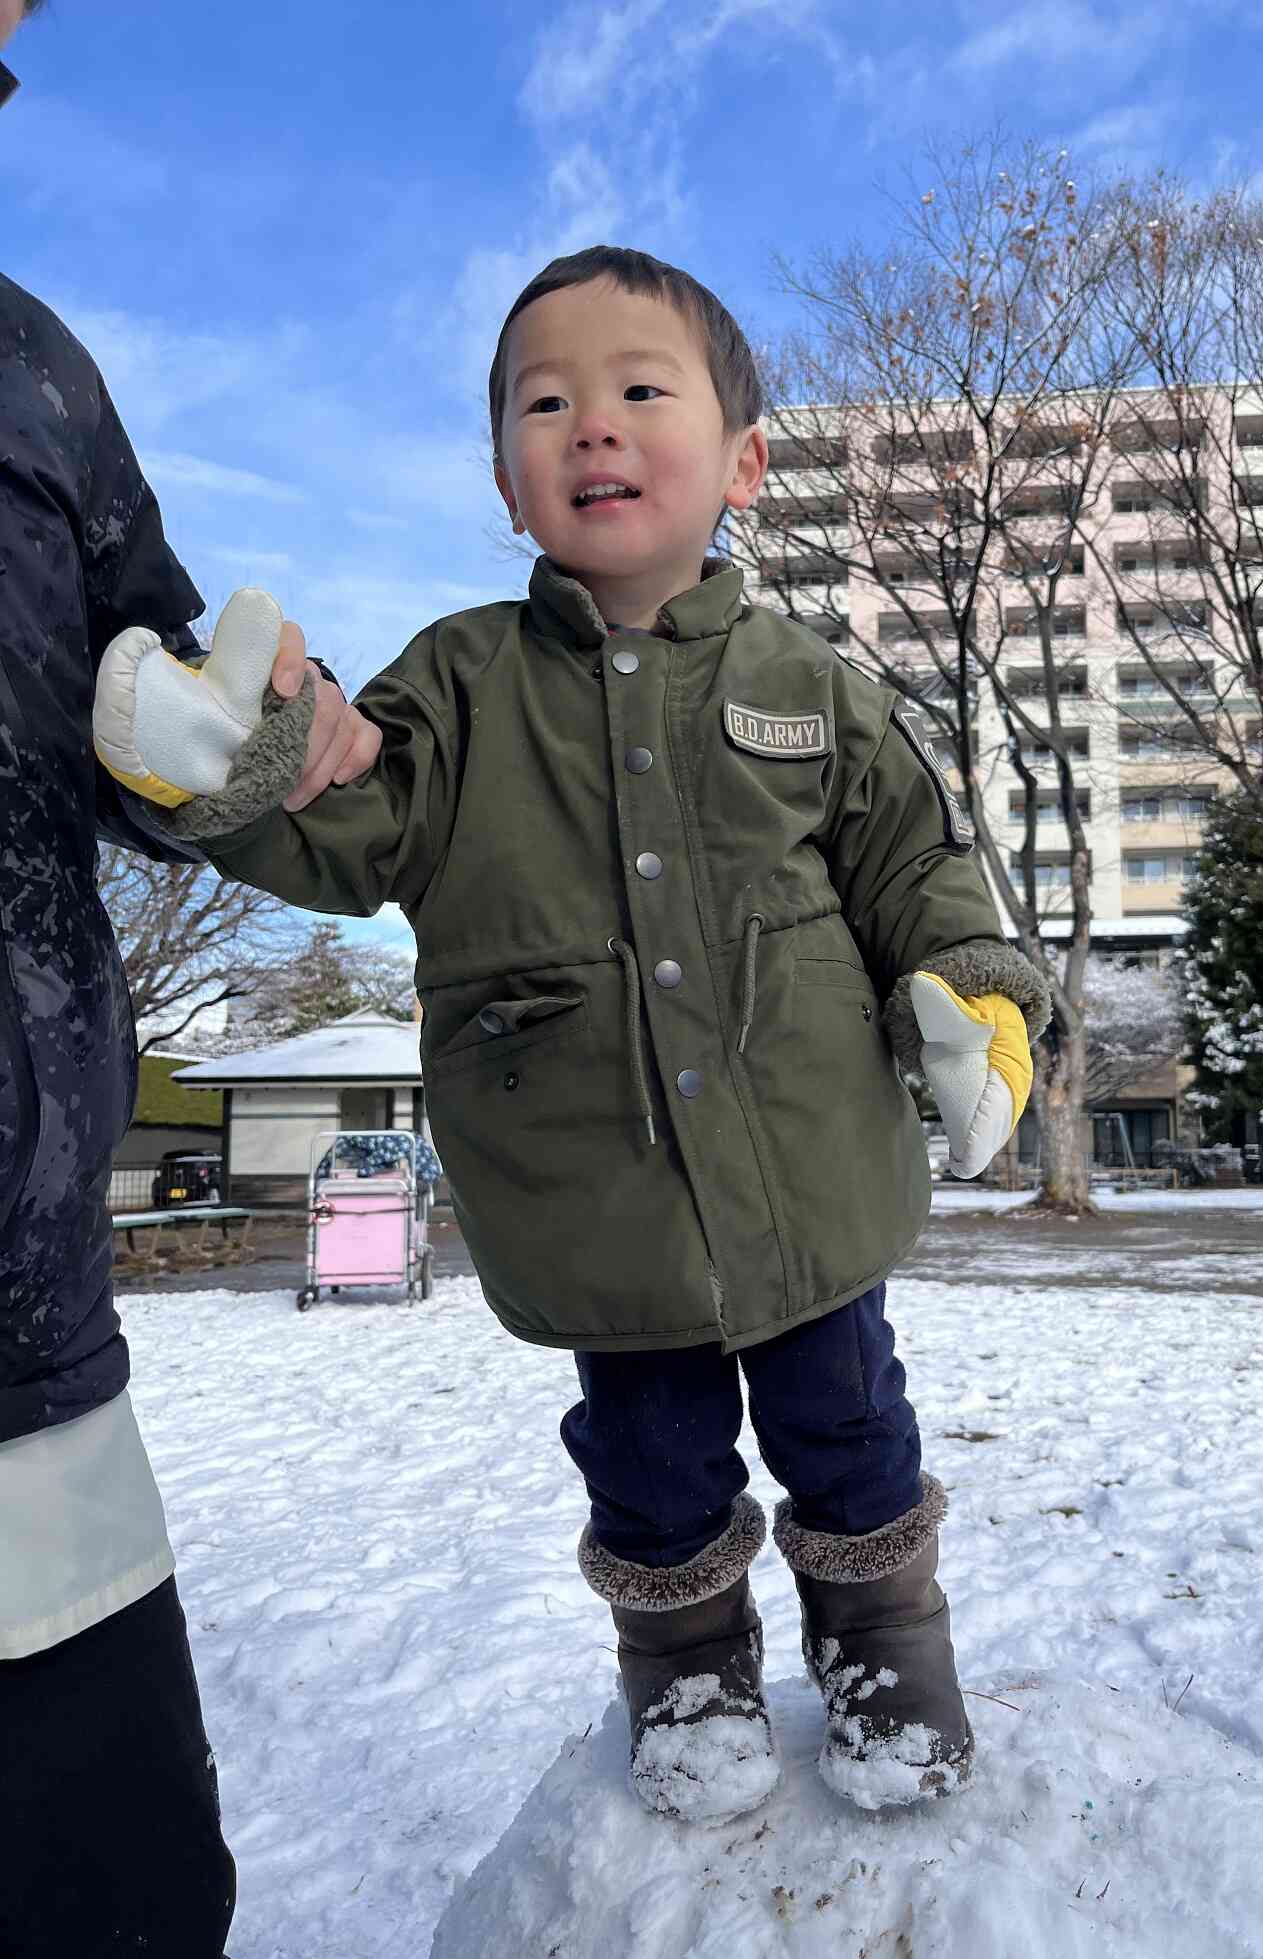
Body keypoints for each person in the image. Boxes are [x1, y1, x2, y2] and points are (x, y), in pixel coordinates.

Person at [95, 245, 1049, 1824]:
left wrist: (977, 1002)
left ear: (744, 458)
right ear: (505, 479)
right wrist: (243, 766)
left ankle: (887, 1642)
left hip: (809, 1180)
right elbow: (350, 825)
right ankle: (684, 1668)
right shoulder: (457, 690)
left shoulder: (814, 685)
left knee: (852, 1425)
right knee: (650, 1462)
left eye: (638, 390)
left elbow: (920, 866)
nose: (592, 425)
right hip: (590, 1199)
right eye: (548, 402)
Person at [0, 4, 381, 1959]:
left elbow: (142, 725)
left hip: (36, 1405)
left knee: (131, 1936)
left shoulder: (42, 382)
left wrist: (235, 745)